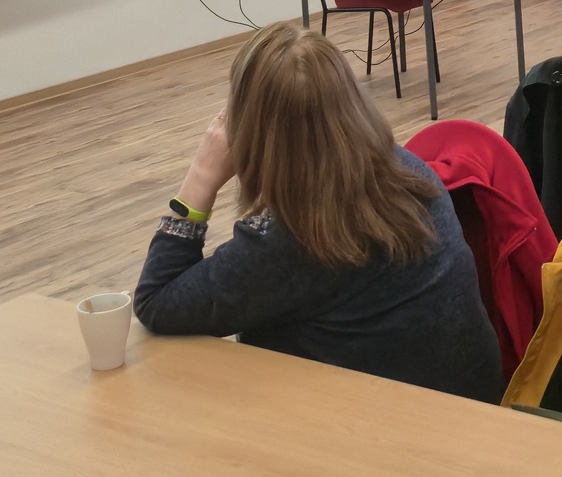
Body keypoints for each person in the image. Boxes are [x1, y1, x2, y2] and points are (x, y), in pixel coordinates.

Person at [133, 22, 503, 402]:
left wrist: (200, 177)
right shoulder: (407, 168)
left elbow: (156, 302)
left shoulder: (294, 239)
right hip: (474, 407)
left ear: (251, 126)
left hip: (394, 426)